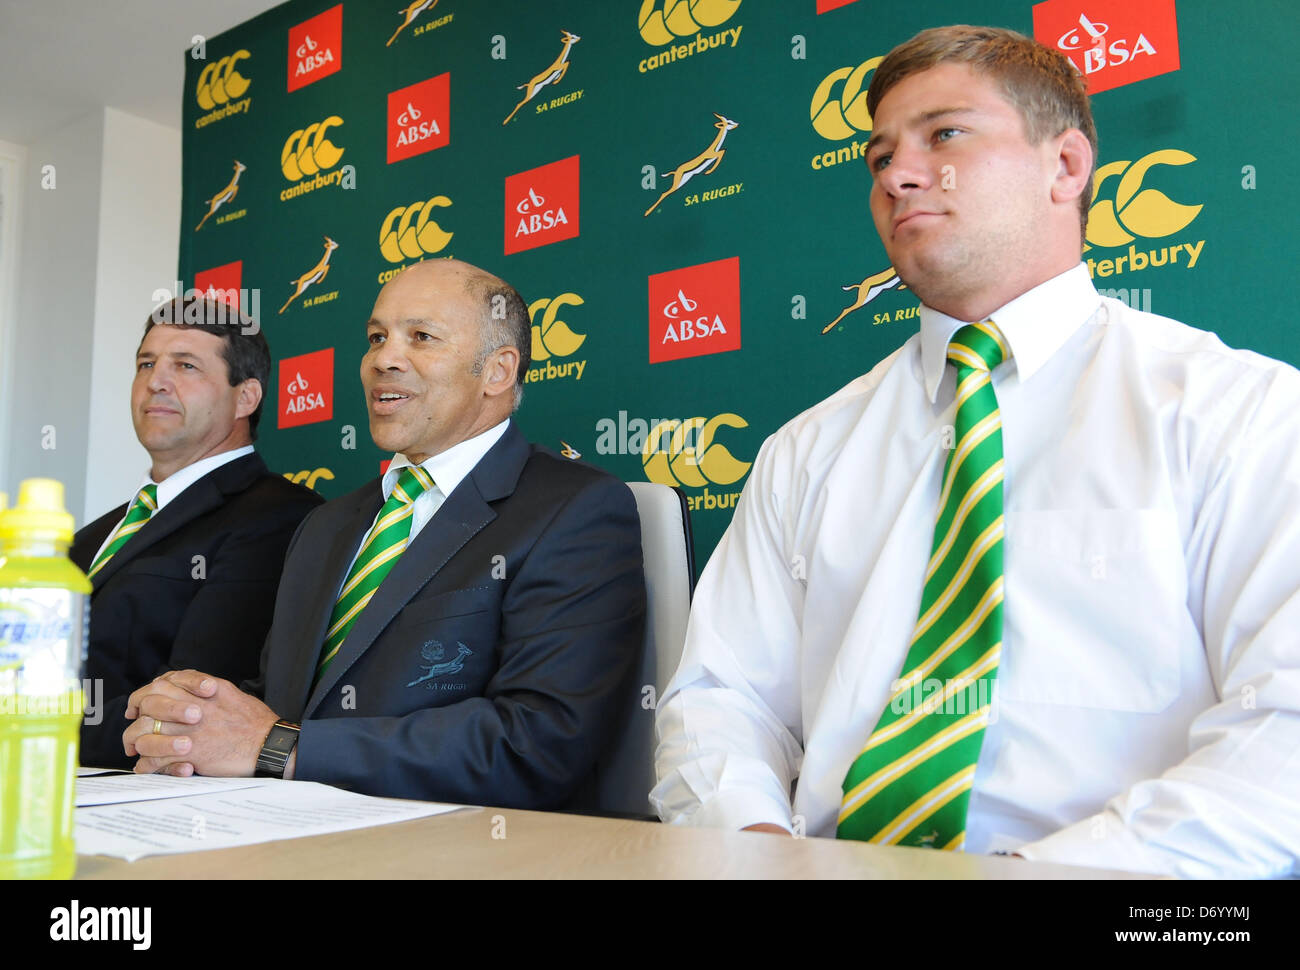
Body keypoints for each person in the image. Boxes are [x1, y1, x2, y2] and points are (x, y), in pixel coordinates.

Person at [651, 25, 1300, 877]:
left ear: (1064, 168)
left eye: (945, 135)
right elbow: (718, 701)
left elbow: (1282, 738)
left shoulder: (1242, 413)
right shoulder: (806, 449)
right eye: (879, 156)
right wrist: (760, 854)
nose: (899, 174)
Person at [122, 259, 647, 811]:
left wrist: (280, 747)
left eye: (421, 337)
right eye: (376, 338)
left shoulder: (576, 509)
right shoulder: (327, 525)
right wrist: (190, 723)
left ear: (497, 371)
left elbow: (540, 742)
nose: (383, 360)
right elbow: (288, 705)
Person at [73, 297, 321, 769]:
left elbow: (191, 708)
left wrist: (32, 726)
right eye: (146, 363)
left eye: (185, 365)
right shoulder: (91, 536)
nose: (156, 381)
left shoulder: (280, 517)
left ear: (246, 397)